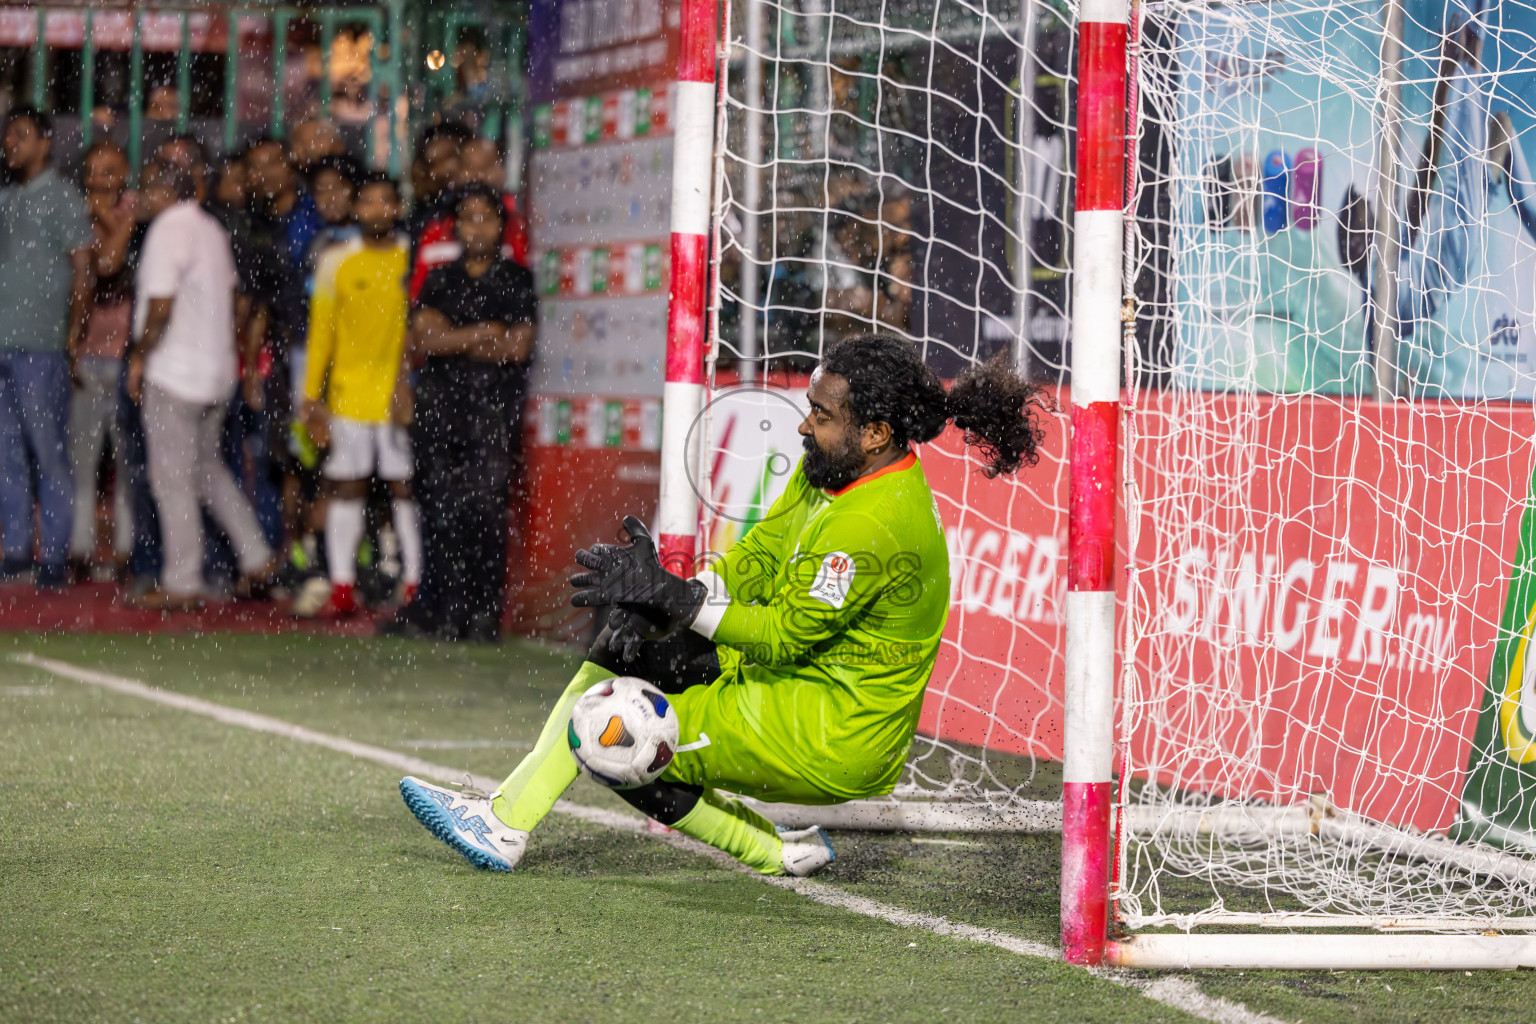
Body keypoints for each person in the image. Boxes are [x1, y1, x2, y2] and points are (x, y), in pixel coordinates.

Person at [399, 333, 1047, 875]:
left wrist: (678, 598)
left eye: (822, 415)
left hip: (828, 737)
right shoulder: (833, 465)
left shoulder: (878, 524)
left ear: (875, 432)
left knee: (610, 731)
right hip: (784, 687)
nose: (804, 424)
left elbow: (786, 636)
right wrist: (672, 597)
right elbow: (761, 554)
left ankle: (768, 850)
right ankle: (504, 824)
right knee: (634, 633)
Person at [389, 184, 535, 641]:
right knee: (440, 513)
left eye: (486, 217)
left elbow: (516, 347)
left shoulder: (517, 280)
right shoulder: (439, 278)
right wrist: (481, 334)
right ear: (456, 226)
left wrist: (454, 337)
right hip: (440, 412)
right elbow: (424, 341)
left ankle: (482, 614)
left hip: (491, 413)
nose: (477, 226)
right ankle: (445, 612)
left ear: (500, 227)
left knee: (486, 515)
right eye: (468, 217)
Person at [126, 161, 274, 610]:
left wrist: (138, 355)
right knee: (208, 471)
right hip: (216, 371)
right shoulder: (211, 229)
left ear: (160, 191)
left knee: (172, 480)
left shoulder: (167, 229)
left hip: (176, 371)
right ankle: (257, 556)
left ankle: (182, 581)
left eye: (148, 188)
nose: (143, 197)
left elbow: (161, 305)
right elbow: (234, 303)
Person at [294, 174, 420, 619]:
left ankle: (413, 585)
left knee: (404, 490)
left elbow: (418, 329)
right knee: (347, 489)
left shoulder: (411, 257)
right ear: (357, 209)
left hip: (397, 399)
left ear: (397, 208)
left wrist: (410, 384)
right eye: (367, 202)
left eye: (386, 202)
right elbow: (320, 334)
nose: (376, 210)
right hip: (348, 395)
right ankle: (343, 587)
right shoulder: (335, 260)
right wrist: (310, 398)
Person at [0, 107, 95, 589]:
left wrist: (73, 334)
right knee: (6, 452)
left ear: (45, 141)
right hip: (3, 342)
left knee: (49, 454)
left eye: (20, 135)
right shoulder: (7, 196)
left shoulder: (63, 197)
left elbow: (83, 269)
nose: (10, 143)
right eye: (7, 136)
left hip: (40, 345)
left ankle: (53, 557)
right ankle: (16, 552)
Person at [68, 141, 137, 579]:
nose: (98, 180)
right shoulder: (75, 214)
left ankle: (129, 552)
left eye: (108, 171)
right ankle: (80, 549)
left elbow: (110, 262)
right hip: (90, 355)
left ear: (125, 173)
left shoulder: (136, 209)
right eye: (92, 171)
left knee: (129, 463)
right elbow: (80, 278)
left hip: (128, 357)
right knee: (83, 462)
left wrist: (102, 213)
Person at [407, 136, 529, 299]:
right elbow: (418, 300)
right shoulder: (436, 231)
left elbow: (527, 294)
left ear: (501, 171)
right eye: (469, 167)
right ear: (457, 173)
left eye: (486, 167)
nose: (477, 176)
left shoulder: (520, 227)